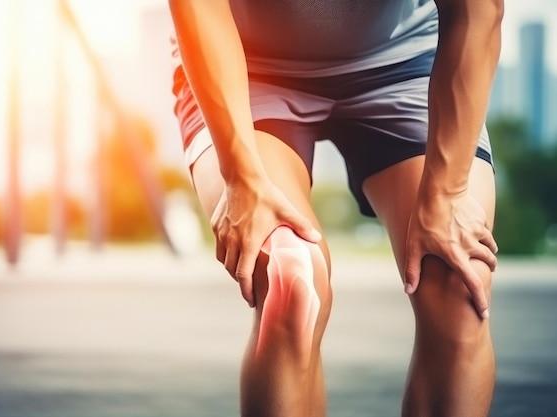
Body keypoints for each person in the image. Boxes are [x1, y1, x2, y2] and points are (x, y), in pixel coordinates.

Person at [168, 0, 503, 416]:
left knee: (458, 279)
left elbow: (478, 10)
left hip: (405, 62)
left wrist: (447, 194)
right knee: (289, 276)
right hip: (248, 65)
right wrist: (242, 177)